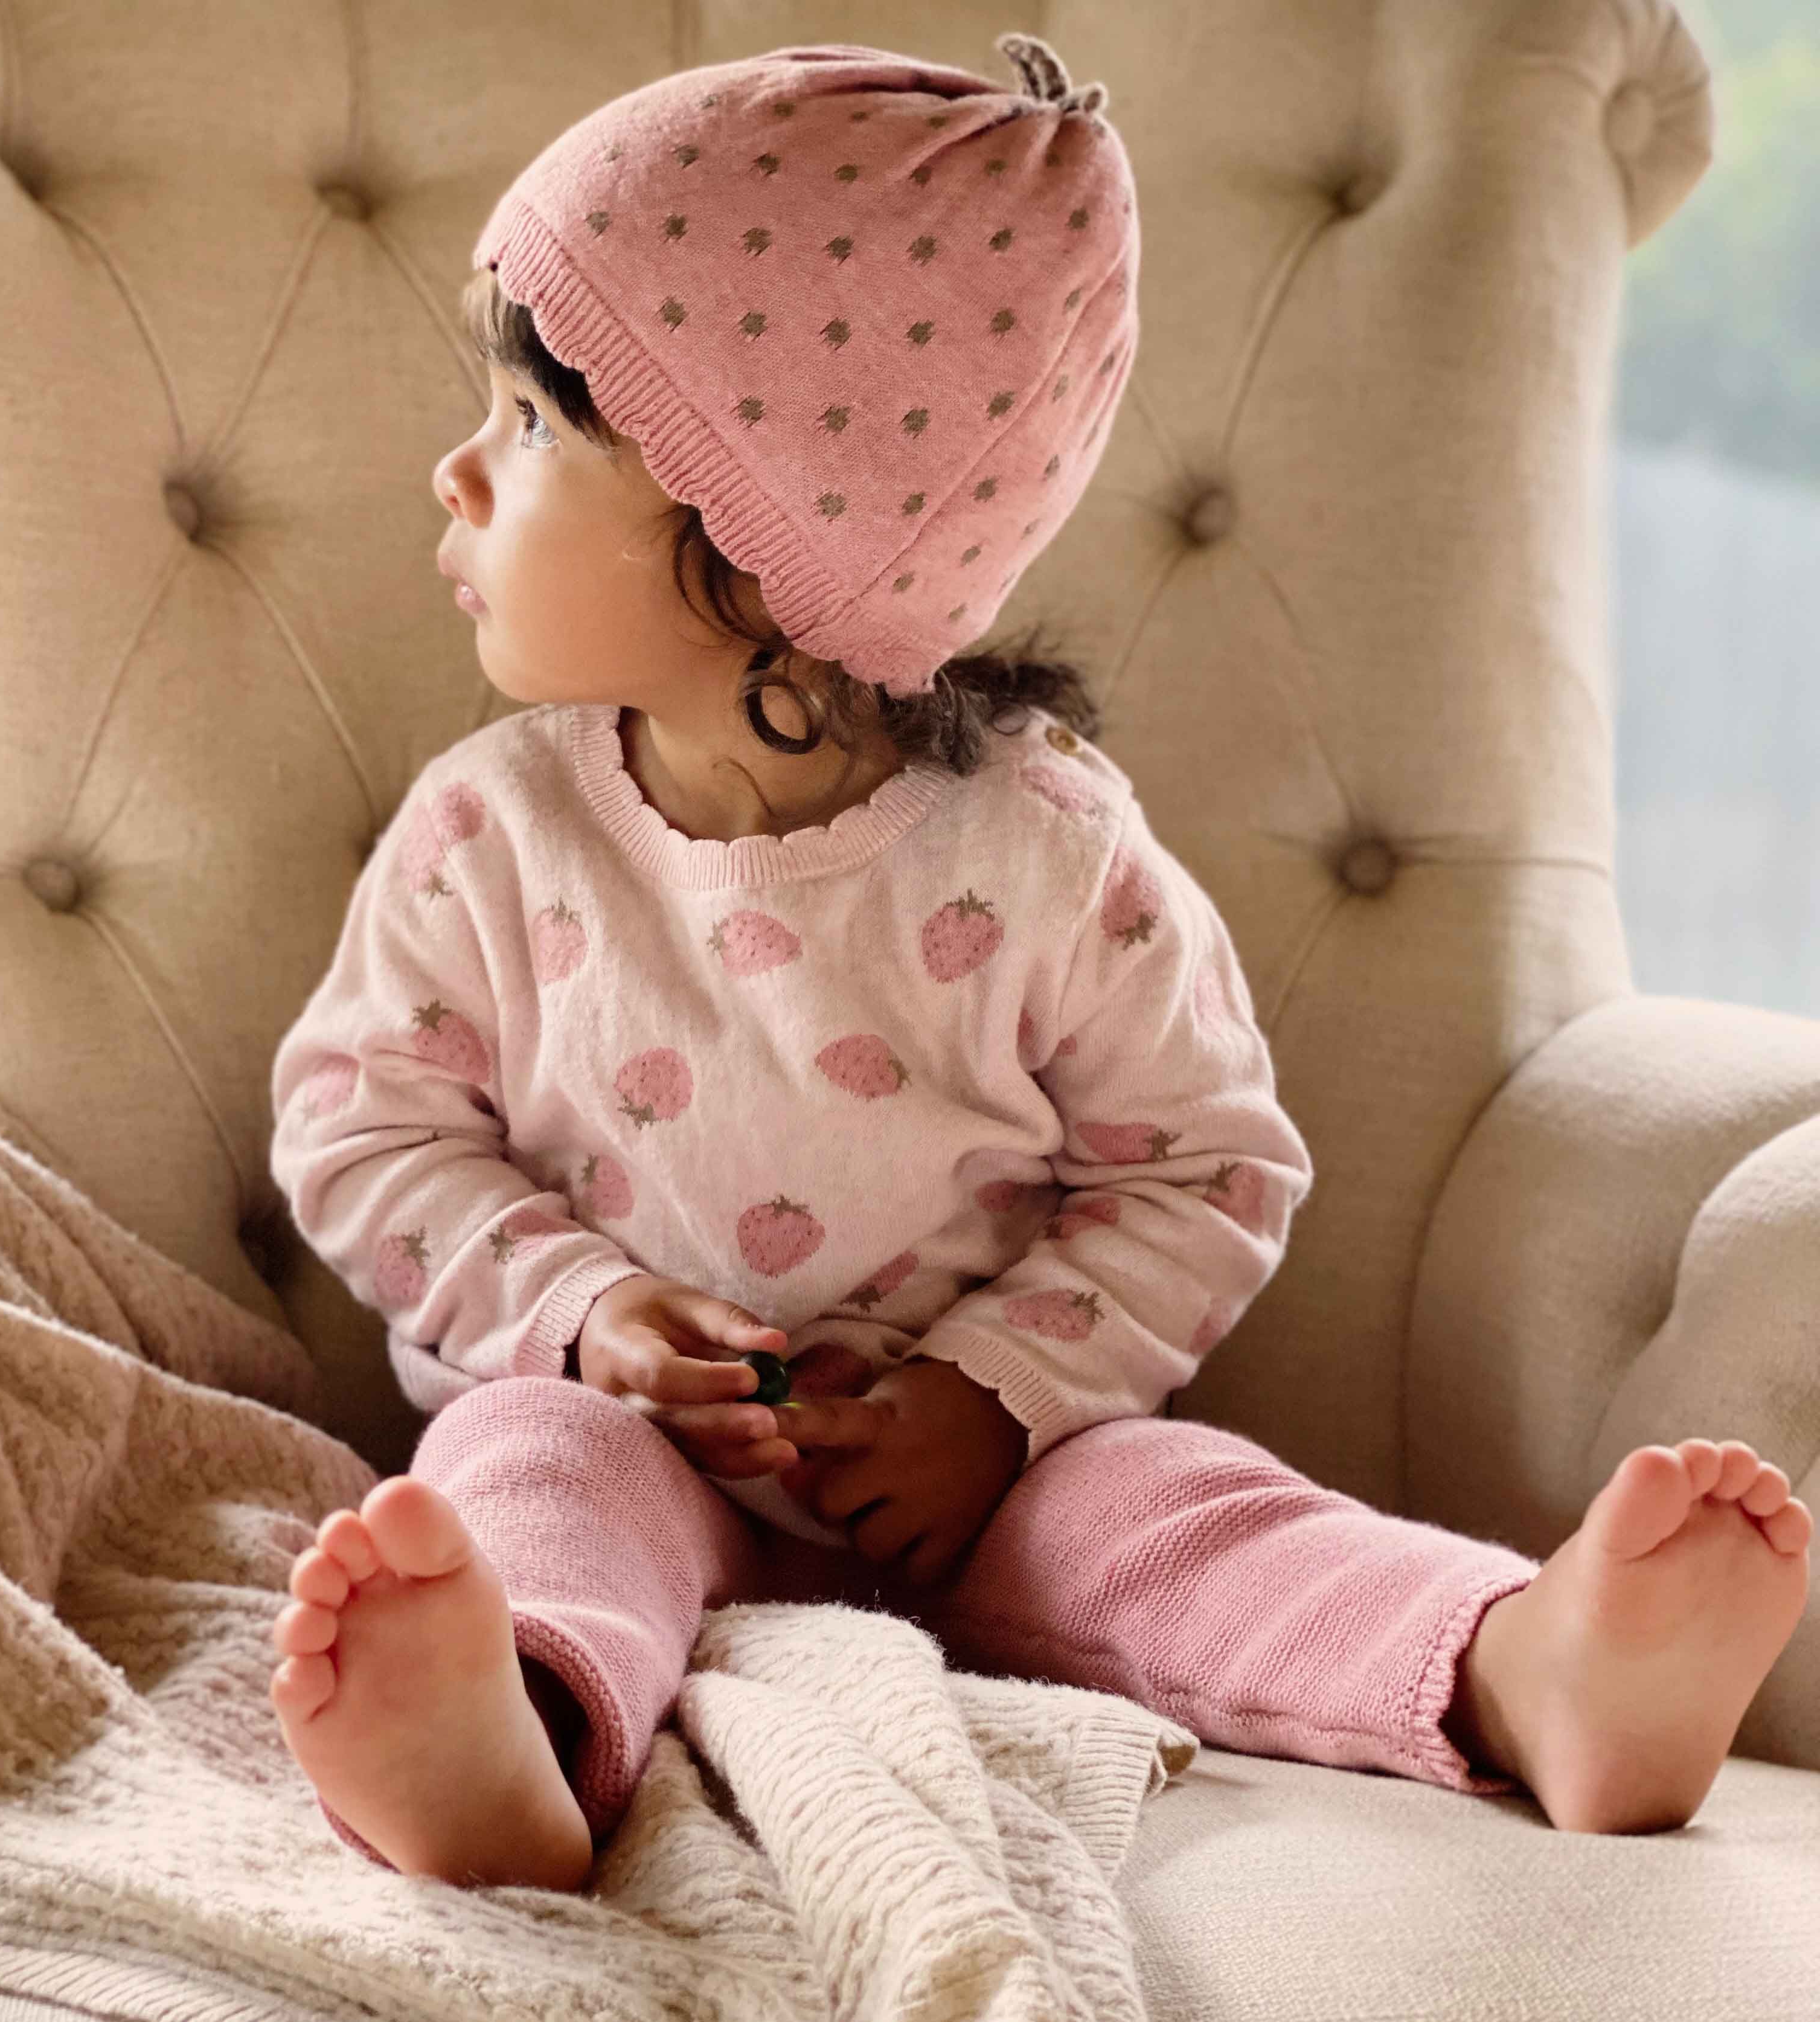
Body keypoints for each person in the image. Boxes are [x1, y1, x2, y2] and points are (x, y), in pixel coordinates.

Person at [263, 33, 1812, 1893]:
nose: (455, 470)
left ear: (766, 530)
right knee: (525, 1466)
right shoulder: (490, 834)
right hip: (624, 1434)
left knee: (1181, 1511)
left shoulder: (1044, 852)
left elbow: (1207, 1168)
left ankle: (1527, 1666)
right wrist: (583, 1311)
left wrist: (991, 1398)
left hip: (995, 1493)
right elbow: (365, 1133)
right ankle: (512, 1732)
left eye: (532, 425)